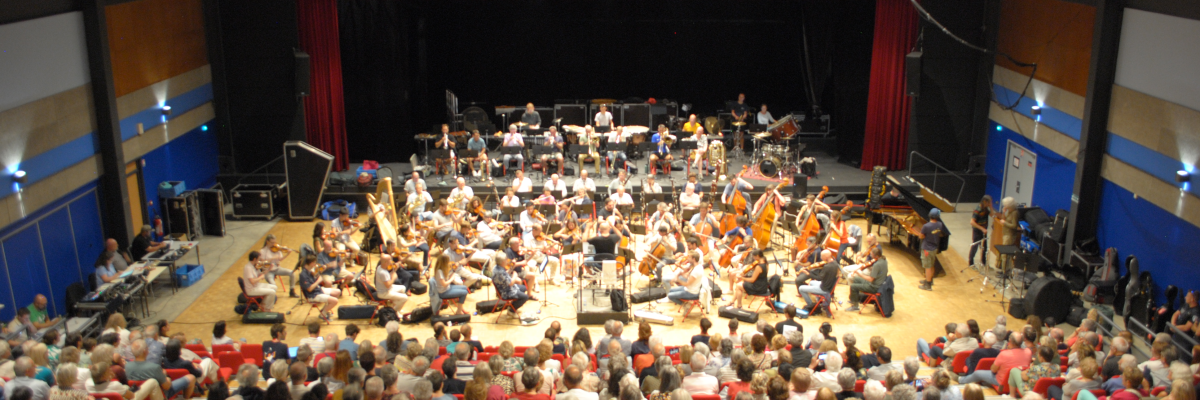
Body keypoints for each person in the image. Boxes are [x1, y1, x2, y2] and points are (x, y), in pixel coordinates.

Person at [126, 341, 193, 399]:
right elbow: (167, 387)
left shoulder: (127, 366)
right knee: (191, 377)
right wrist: (167, 377)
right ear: (144, 351)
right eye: (147, 348)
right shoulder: (155, 367)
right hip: (160, 395)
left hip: (139, 396)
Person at [958, 333, 1029, 387]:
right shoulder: (1028, 352)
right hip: (1019, 380)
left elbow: (993, 370)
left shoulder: (1004, 354)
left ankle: (961, 380)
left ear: (1009, 341)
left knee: (977, 373)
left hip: (1002, 381)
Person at [299, 254, 341, 323]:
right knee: (335, 301)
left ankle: (324, 310)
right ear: (311, 263)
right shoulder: (303, 274)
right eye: (314, 262)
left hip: (318, 290)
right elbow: (309, 289)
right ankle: (322, 315)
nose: (315, 264)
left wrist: (318, 273)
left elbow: (317, 278)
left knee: (337, 292)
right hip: (312, 295)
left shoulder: (310, 271)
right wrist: (318, 281)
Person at [846, 247, 888, 312]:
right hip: (879, 284)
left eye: (872, 254)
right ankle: (854, 299)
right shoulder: (884, 260)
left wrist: (860, 274)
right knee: (856, 279)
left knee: (853, 286)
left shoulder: (877, 265)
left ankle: (855, 307)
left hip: (874, 287)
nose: (870, 255)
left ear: (876, 256)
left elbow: (871, 279)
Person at [797, 250, 839, 316]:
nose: (821, 258)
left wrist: (808, 273)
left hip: (824, 289)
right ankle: (817, 301)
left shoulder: (827, 267)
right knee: (812, 282)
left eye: (822, 256)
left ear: (826, 257)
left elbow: (819, 277)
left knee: (801, 288)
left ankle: (811, 305)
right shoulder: (835, 263)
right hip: (829, 285)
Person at [916, 209, 944, 291]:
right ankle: (930, 280)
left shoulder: (926, 226)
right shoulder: (940, 224)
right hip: (934, 248)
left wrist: (922, 235)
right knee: (931, 264)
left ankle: (928, 285)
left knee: (927, 267)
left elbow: (921, 236)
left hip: (927, 249)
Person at [967, 196, 993, 268]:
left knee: (984, 248)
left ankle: (984, 263)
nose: (990, 204)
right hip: (977, 231)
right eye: (989, 202)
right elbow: (972, 222)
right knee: (975, 247)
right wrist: (982, 229)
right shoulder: (978, 210)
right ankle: (971, 263)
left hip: (983, 232)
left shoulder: (986, 209)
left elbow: (992, 214)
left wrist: (991, 207)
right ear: (984, 201)